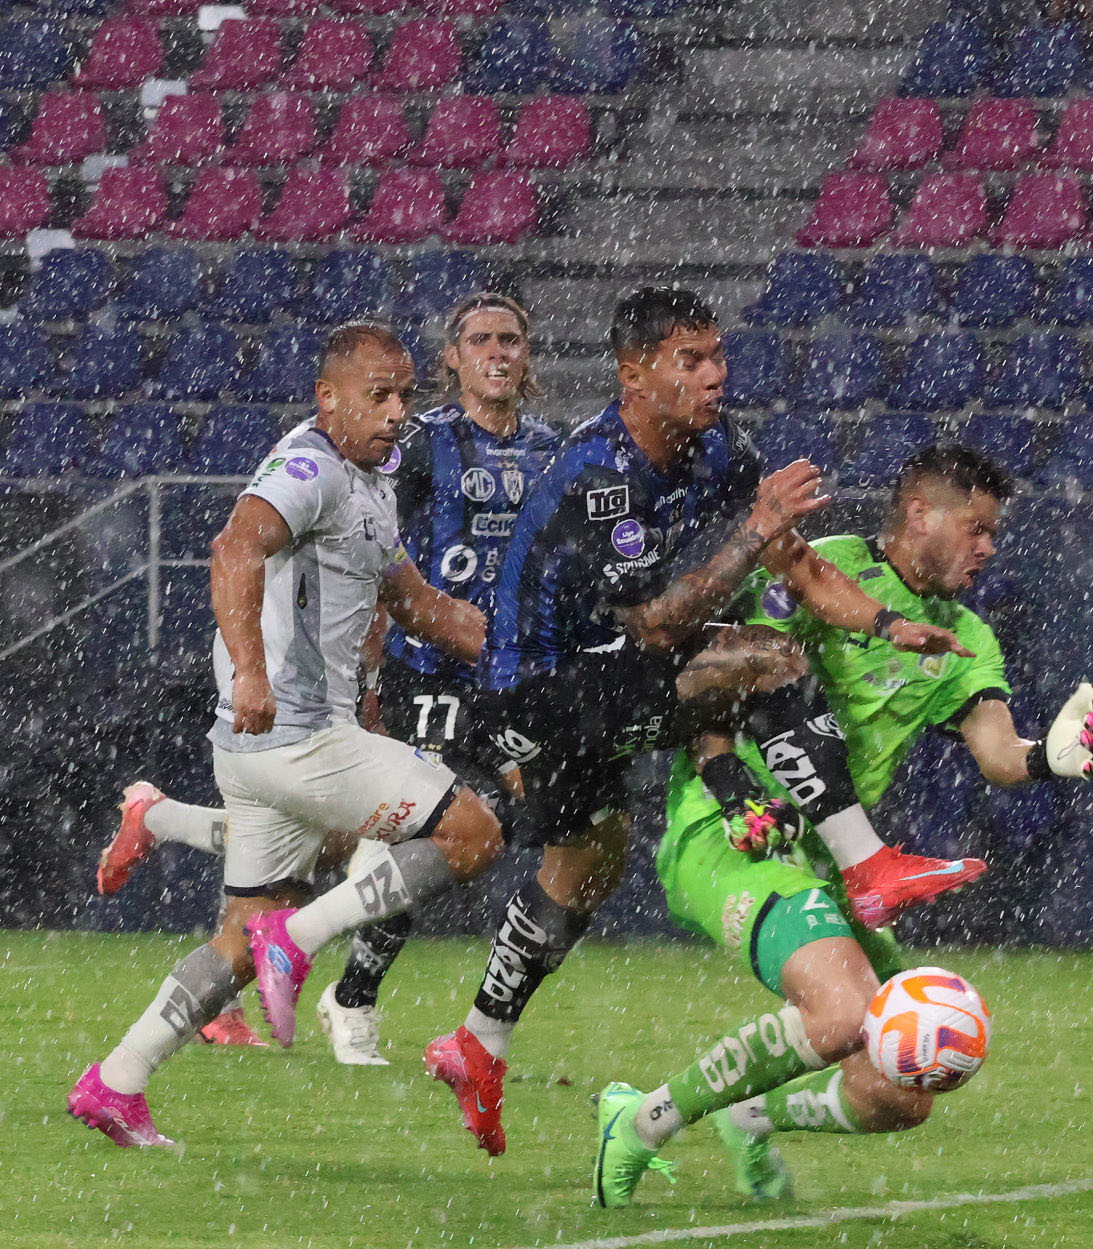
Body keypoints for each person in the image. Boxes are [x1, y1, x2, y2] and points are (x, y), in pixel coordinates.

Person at [392, 286, 982, 1158]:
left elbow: (797, 564)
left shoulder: (719, 448)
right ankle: (867, 866)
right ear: (634, 376)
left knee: (591, 859)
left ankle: (478, 1043)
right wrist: (755, 527)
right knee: (768, 657)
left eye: (717, 355)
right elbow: (660, 627)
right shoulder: (599, 473)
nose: (715, 375)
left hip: (597, 680)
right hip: (539, 693)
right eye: (691, 360)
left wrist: (888, 623)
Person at [589, 443, 1093, 1207]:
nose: (988, 548)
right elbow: (719, 670)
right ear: (920, 514)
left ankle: (750, 1114)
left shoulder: (967, 636)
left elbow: (998, 751)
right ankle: (641, 1122)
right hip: (734, 835)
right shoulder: (822, 567)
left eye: (993, 534)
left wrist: (1048, 758)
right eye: (976, 529)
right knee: (840, 1016)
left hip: (835, 865)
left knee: (903, 1086)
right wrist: (726, 781)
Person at [90, 294, 563, 1066]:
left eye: (403, 396)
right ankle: (329, 973)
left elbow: (414, 600)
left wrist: (538, 650)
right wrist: (256, 672)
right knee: (467, 832)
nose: (396, 412)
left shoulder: (374, 474)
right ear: (330, 396)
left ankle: (117, 1076)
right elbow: (234, 549)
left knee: (258, 923)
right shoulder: (318, 466)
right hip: (303, 724)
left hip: (290, 732)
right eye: (379, 395)